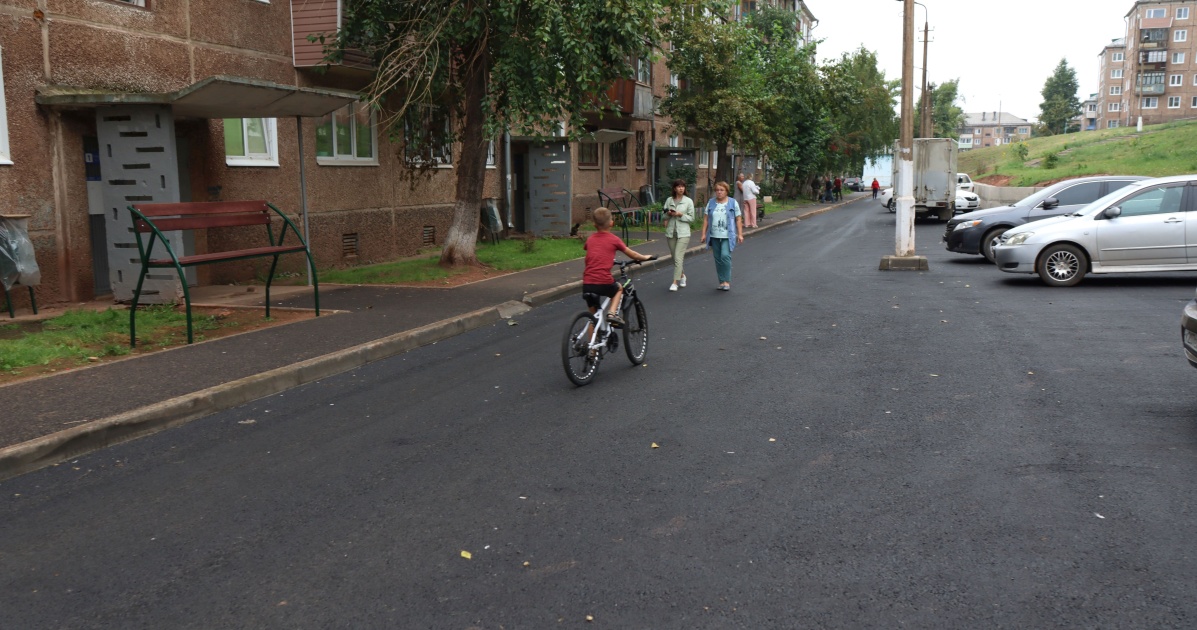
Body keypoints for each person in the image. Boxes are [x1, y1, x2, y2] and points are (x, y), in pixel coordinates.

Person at [583, 207, 653, 327]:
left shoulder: (590, 239)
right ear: (611, 223)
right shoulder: (614, 239)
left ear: (594, 224)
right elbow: (633, 254)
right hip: (603, 281)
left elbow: (590, 255)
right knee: (618, 289)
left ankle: (593, 346)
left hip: (587, 282)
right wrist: (645, 257)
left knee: (593, 318)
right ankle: (612, 314)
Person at [699, 181, 744, 291]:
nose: (719, 192)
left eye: (721, 190)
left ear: (726, 191)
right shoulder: (711, 202)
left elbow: (738, 219)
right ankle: (721, 282)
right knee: (718, 259)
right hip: (714, 235)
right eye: (717, 190)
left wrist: (740, 234)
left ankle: (727, 281)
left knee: (725, 256)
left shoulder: (732, 203)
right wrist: (703, 234)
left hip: (727, 236)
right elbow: (706, 219)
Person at [662, 179, 694, 292]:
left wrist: (680, 214)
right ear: (674, 188)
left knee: (678, 257)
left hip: (684, 233)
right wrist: (669, 214)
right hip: (671, 232)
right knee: (675, 257)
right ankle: (682, 276)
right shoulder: (669, 200)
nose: (681, 188)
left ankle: (675, 282)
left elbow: (691, 218)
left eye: (683, 186)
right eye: (679, 186)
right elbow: (663, 216)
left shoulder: (688, 201)